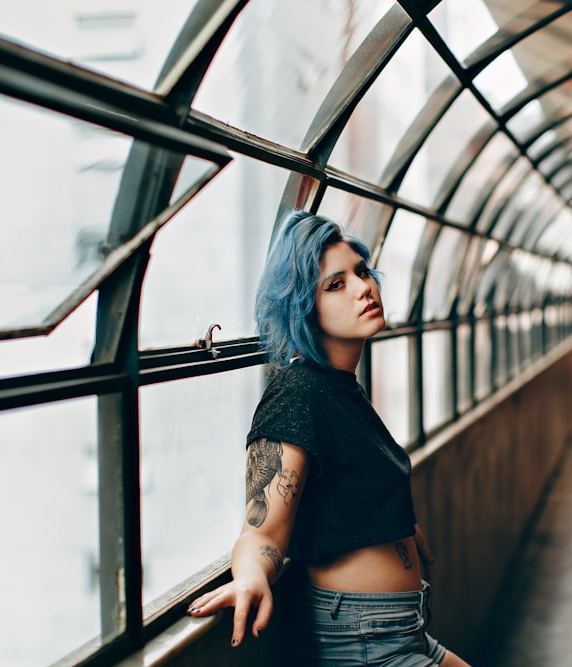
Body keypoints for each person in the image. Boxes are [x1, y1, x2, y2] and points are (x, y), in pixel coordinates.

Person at [186, 211, 471, 666]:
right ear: (302, 306)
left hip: (400, 629)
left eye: (362, 271)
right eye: (335, 284)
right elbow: (262, 530)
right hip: (363, 640)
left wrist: (388, 522)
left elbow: (346, 481)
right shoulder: (297, 393)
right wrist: (250, 575)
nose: (364, 288)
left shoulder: (338, 386)